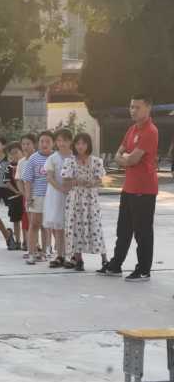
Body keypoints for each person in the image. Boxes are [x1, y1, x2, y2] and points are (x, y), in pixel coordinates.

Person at [101, 94, 159, 281]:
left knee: (142, 232)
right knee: (123, 229)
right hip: (129, 188)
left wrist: (125, 159)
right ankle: (116, 265)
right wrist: (125, 159)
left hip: (144, 189)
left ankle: (143, 270)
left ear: (148, 108)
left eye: (137, 107)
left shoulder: (150, 131)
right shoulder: (132, 129)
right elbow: (119, 155)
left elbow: (132, 159)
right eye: (131, 107)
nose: (133, 110)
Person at [63, 133, 107, 272]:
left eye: (83, 143)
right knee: (75, 227)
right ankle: (79, 259)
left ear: (88, 145)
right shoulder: (69, 161)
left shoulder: (96, 161)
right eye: (78, 143)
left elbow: (100, 180)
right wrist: (77, 181)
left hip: (90, 199)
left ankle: (104, 259)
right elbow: (65, 181)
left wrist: (93, 182)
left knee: (96, 227)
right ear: (74, 145)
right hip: (75, 198)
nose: (80, 146)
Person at [22, 131, 54, 264]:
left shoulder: (55, 157)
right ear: (38, 143)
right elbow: (27, 180)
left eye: (47, 141)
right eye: (41, 141)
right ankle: (31, 253)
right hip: (37, 196)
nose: (44, 144)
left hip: (52, 197)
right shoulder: (33, 158)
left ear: (53, 143)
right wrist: (28, 197)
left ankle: (46, 252)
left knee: (47, 226)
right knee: (34, 224)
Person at [45, 129, 74, 269]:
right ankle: (60, 255)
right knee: (59, 226)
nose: (62, 143)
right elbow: (49, 177)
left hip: (73, 194)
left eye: (65, 140)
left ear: (70, 141)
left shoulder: (75, 157)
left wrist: (69, 187)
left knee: (72, 225)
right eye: (59, 140)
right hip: (56, 194)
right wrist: (61, 188)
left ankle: (72, 255)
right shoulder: (52, 158)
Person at [16, 134, 37, 252]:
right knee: (29, 223)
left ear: (34, 144)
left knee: (43, 223)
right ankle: (32, 247)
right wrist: (24, 194)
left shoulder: (41, 159)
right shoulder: (21, 162)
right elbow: (19, 180)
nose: (25, 146)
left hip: (40, 195)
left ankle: (47, 247)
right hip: (27, 196)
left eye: (28, 143)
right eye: (23, 144)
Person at [4, 142, 25, 249]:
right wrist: (17, 191)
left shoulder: (26, 164)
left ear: (22, 152)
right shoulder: (8, 167)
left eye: (16, 152)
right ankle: (17, 241)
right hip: (13, 198)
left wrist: (23, 192)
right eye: (12, 154)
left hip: (25, 197)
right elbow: (6, 182)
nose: (14, 155)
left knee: (26, 220)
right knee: (16, 221)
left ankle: (26, 241)